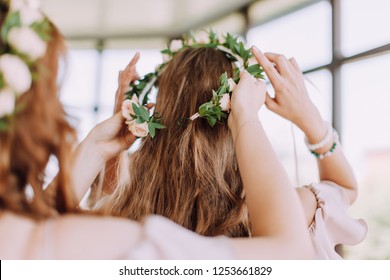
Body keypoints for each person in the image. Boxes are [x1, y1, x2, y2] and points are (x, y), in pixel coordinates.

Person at [0, 0, 313, 259]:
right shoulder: (119, 242)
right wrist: (249, 118)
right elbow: (290, 254)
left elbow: (41, 231)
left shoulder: (96, 223)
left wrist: (96, 147)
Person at [97, 34, 367, 259]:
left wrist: (120, 125)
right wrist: (309, 117)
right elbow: (345, 189)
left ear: (159, 110)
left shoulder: (118, 214)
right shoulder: (286, 213)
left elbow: (107, 192)